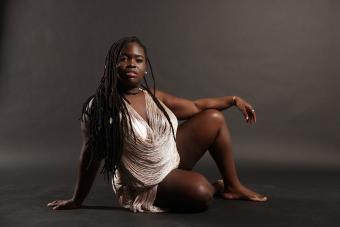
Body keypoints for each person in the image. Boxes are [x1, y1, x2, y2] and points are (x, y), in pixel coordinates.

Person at [47, 36, 267, 213]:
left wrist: (233, 100)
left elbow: (196, 106)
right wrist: (77, 199)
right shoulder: (100, 108)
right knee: (202, 193)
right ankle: (214, 187)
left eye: (138, 59)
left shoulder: (152, 95)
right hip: (144, 181)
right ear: (110, 64)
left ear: (145, 68)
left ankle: (232, 186)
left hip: (169, 157)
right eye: (124, 58)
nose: (131, 63)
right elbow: (90, 154)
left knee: (213, 119)